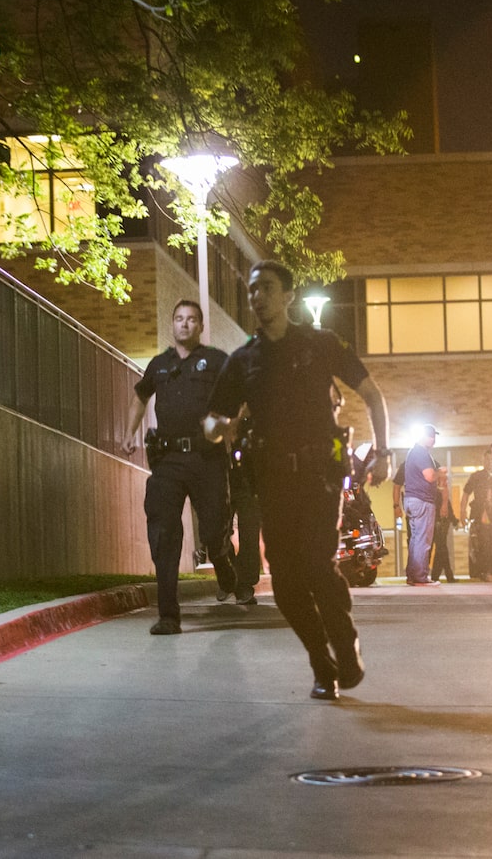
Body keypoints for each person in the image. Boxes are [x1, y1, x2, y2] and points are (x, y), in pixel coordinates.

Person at [203, 260, 391, 701]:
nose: (257, 297)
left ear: (288, 296)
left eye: (266, 288)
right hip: (270, 479)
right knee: (286, 582)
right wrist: (216, 428)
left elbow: (371, 394)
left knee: (316, 566)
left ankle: (345, 645)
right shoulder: (244, 359)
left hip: (317, 476)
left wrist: (382, 452)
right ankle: (321, 664)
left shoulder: (320, 343)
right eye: (252, 290)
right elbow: (214, 416)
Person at [123, 300, 238, 634]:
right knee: (164, 535)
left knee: (214, 527)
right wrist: (129, 433)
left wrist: (230, 426)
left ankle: (222, 560)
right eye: (179, 319)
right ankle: (168, 616)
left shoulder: (216, 360)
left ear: (200, 326)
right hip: (169, 460)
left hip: (207, 459)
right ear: (171, 325)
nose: (184, 325)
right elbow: (140, 397)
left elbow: (238, 399)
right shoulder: (159, 365)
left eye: (191, 320)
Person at [226, 413, 264, 605]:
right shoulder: (217, 413)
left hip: (248, 482)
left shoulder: (252, 420)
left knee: (249, 533)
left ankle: (245, 585)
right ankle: (228, 573)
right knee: (216, 532)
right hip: (221, 480)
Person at [402, 425, 443, 585]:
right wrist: (441, 472)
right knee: (423, 540)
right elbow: (430, 475)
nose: (433, 439)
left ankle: (412, 575)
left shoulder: (413, 452)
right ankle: (420, 576)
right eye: (431, 436)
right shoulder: (420, 452)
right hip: (422, 500)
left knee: (415, 539)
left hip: (412, 499)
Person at [462, 441, 492, 581]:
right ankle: (485, 572)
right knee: (482, 544)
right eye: (486, 460)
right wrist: (462, 513)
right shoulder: (476, 476)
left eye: (491, 460)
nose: (489, 462)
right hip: (479, 514)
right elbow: (466, 494)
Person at [428, 468, 458, 583]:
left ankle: (437, 575)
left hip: (440, 521)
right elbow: (443, 504)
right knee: (442, 549)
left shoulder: (440, 488)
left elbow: (447, 504)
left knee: (441, 549)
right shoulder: (437, 489)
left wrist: (453, 519)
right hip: (438, 521)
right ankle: (447, 575)